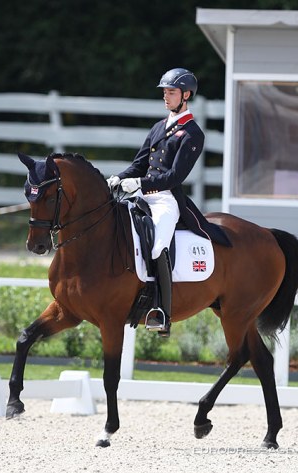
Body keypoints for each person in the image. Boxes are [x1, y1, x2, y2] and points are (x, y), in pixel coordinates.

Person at [107, 68, 230, 336]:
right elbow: (139, 164)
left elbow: (175, 176)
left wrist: (140, 184)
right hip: (142, 195)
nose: (166, 96)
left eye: (171, 92)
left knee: (158, 245)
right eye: (164, 91)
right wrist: (118, 178)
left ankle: (161, 311)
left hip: (165, 199)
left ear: (186, 96)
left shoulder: (192, 134)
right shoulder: (158, 128)